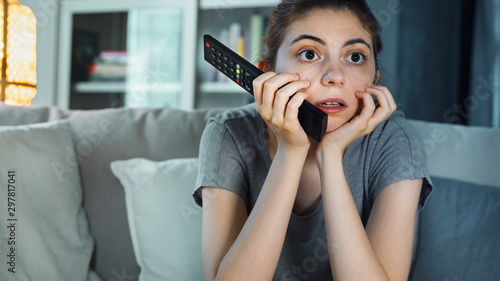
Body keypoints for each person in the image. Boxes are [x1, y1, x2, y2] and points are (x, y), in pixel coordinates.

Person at [193, 0, 433, 280]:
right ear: (267, 75)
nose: (335, 77)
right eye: (309, 53)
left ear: (375, 78)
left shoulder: (395, 141)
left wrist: (330, 155)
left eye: (354, 57)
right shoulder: (229, 134)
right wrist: (291, 152)